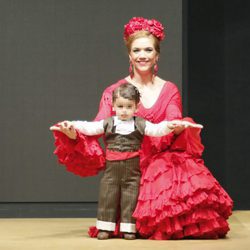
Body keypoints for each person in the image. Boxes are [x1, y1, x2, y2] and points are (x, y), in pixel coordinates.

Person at [50, 17, 233, 240]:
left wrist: (177, 126)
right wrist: (72, 132)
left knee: (180, 176)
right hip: (129, 163)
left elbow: (172, 117)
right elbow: (99, 125)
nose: (142, 55)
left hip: (159, 164)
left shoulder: (169, 89)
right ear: (129, 55)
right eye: (137, 50)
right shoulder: (115, 90)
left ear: (157, 55)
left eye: (148, 49)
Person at [50, 83, 203, 240]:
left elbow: (157, 130)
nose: (124, 110)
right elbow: (89, 127)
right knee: (107, 197)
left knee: (131, 198)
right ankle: (105, 227)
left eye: (129, 106)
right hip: (112, 170)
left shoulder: (141, 123)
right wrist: (71, 125)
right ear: (114, 106)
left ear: (136, 108)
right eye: (120, 106)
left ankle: (129, 228)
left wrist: (170, 125)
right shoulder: (108, 122)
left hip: (132, 170)